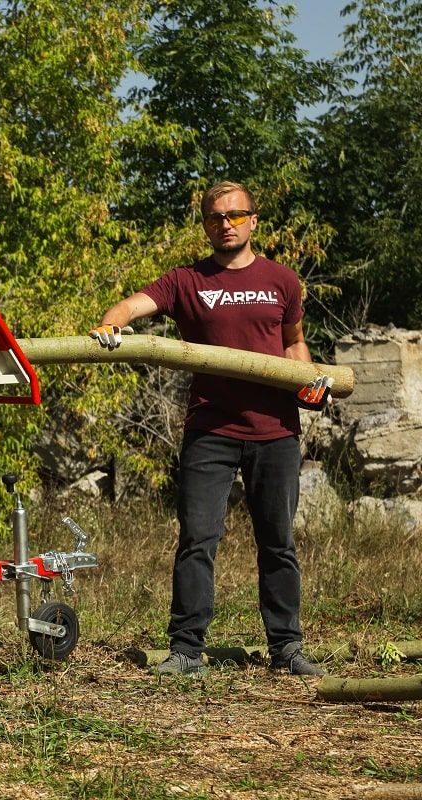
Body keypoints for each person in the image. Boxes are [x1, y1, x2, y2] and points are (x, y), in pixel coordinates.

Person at [90, 180, 331, 677]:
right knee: (198, 539)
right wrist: (112, 323)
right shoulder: (186, 280)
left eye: (235, 215)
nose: (226, 224)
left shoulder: (283, 280)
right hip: (211, 431)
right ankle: (186, 650)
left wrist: (308, 381)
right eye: (216, 217)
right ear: (205, 225)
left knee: (278, 542)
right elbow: (133, 305)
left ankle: (287, 648)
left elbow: (295, 342)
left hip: (275, 431)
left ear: (254, 220)